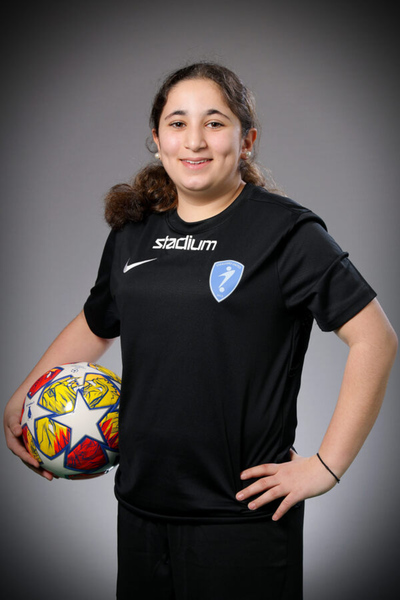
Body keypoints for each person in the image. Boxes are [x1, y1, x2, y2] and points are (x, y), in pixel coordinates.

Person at [4, 62, 397, 600]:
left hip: (242, 521)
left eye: (214, 122)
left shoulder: (287, 232)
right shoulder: (133, 233)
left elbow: (376, 338)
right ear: (157, 139)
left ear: (247, 140)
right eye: (177, 123)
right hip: (140, 508)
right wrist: (25, 396)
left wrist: (327, 467)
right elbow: (96, 324)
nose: (194, 140)